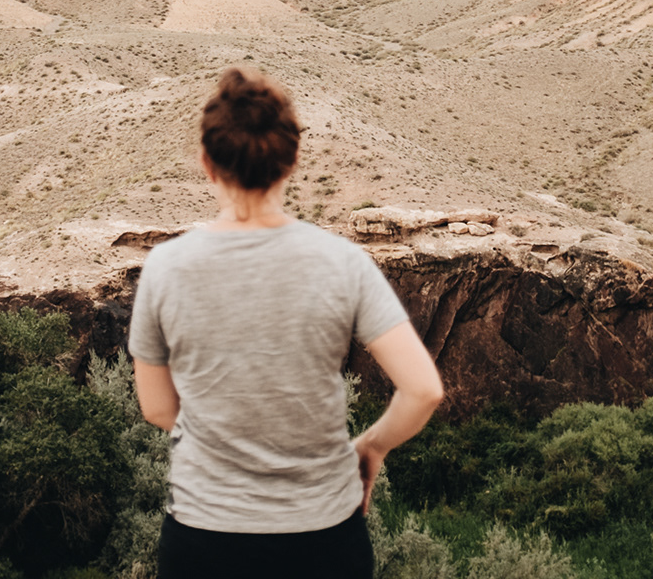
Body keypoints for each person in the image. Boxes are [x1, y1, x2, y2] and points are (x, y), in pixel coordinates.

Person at [129, 67, 445, 578]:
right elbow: (423, 390)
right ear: (293, 159)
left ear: (207, 163)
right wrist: (371, 445)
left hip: (203, 538)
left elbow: (157, 407)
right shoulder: (343, 263)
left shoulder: (166, 268)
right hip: (322, 539)